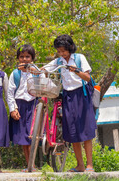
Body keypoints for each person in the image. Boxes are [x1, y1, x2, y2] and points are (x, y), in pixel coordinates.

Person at [43, 34, 97, 172]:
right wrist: (35, 70)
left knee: (86, 131)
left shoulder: (79, 58)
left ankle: (89, 165)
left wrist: (76, 70)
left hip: (82, 95)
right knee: (72, 132)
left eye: (63, 51)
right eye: (59, 51)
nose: (61, 54)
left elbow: (88, 77)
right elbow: (45, 69)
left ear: (70, 48)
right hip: (68, 97)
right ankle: (80, 165)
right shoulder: (59, 61)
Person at [7, 44, 39, 172]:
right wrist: (13, 109)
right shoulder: (15, 73)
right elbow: (10, 92)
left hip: (34, 105)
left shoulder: (37, 72)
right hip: (19, 106)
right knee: (23, 138)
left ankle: (33, 164)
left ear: (32, 58)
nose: (24, 59)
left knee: (32, 135)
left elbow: (43, 85)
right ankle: (29, 165)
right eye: (22, 57)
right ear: (18, 58)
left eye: (27, 57)